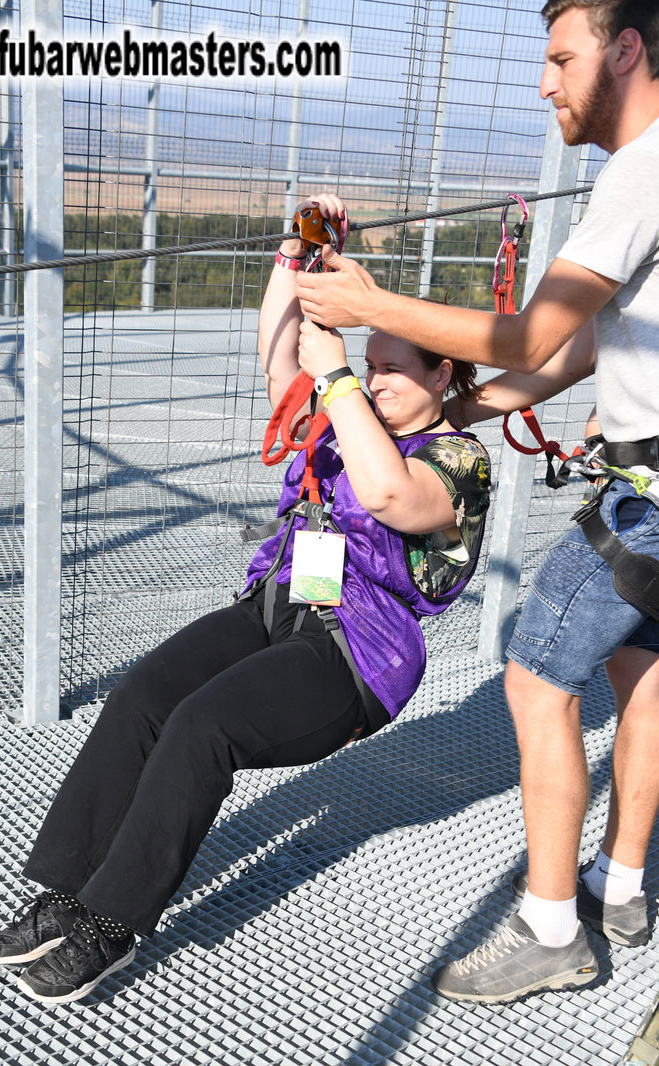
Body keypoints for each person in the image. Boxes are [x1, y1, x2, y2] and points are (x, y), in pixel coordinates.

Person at [0, 194, 491, 1004]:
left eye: (394, 368)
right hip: (281, 603)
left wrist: (340, 379)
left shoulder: (458, 461)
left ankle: (111, 922)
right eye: (372, 363)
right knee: (142, 698)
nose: (376, 380)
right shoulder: (343, 410)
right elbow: (278, 357)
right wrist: (295, 254)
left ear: (443, 374)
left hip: (354, 651)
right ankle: (67, 894)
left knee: (202, 727)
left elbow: (391, 496)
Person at [297, 0, 659, 1004]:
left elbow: (536, 334)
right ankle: (621, 886)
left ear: (626, 51)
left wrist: (367, 306)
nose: (544, 83)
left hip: (648, 499)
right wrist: (472, 405)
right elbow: (586, 345)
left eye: (562, 58)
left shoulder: (640, 172)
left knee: (537, 680)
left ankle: (552, 931)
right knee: (641, 670)